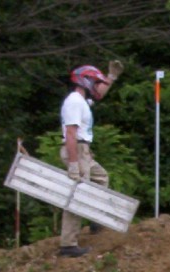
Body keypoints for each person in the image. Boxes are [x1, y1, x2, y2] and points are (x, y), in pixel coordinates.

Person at [58, 61, 123, 257]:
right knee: (78, 196)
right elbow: (70, 133)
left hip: (82, 149)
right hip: (76, 149)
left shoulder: (82, 101)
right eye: (94, 82)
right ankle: (68, 244)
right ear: (84, 81)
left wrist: (111, 78)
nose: (96, 86)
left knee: (101, 178)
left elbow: (99, 94)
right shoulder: (74, 102)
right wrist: (74, 163)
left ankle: (94, 217)